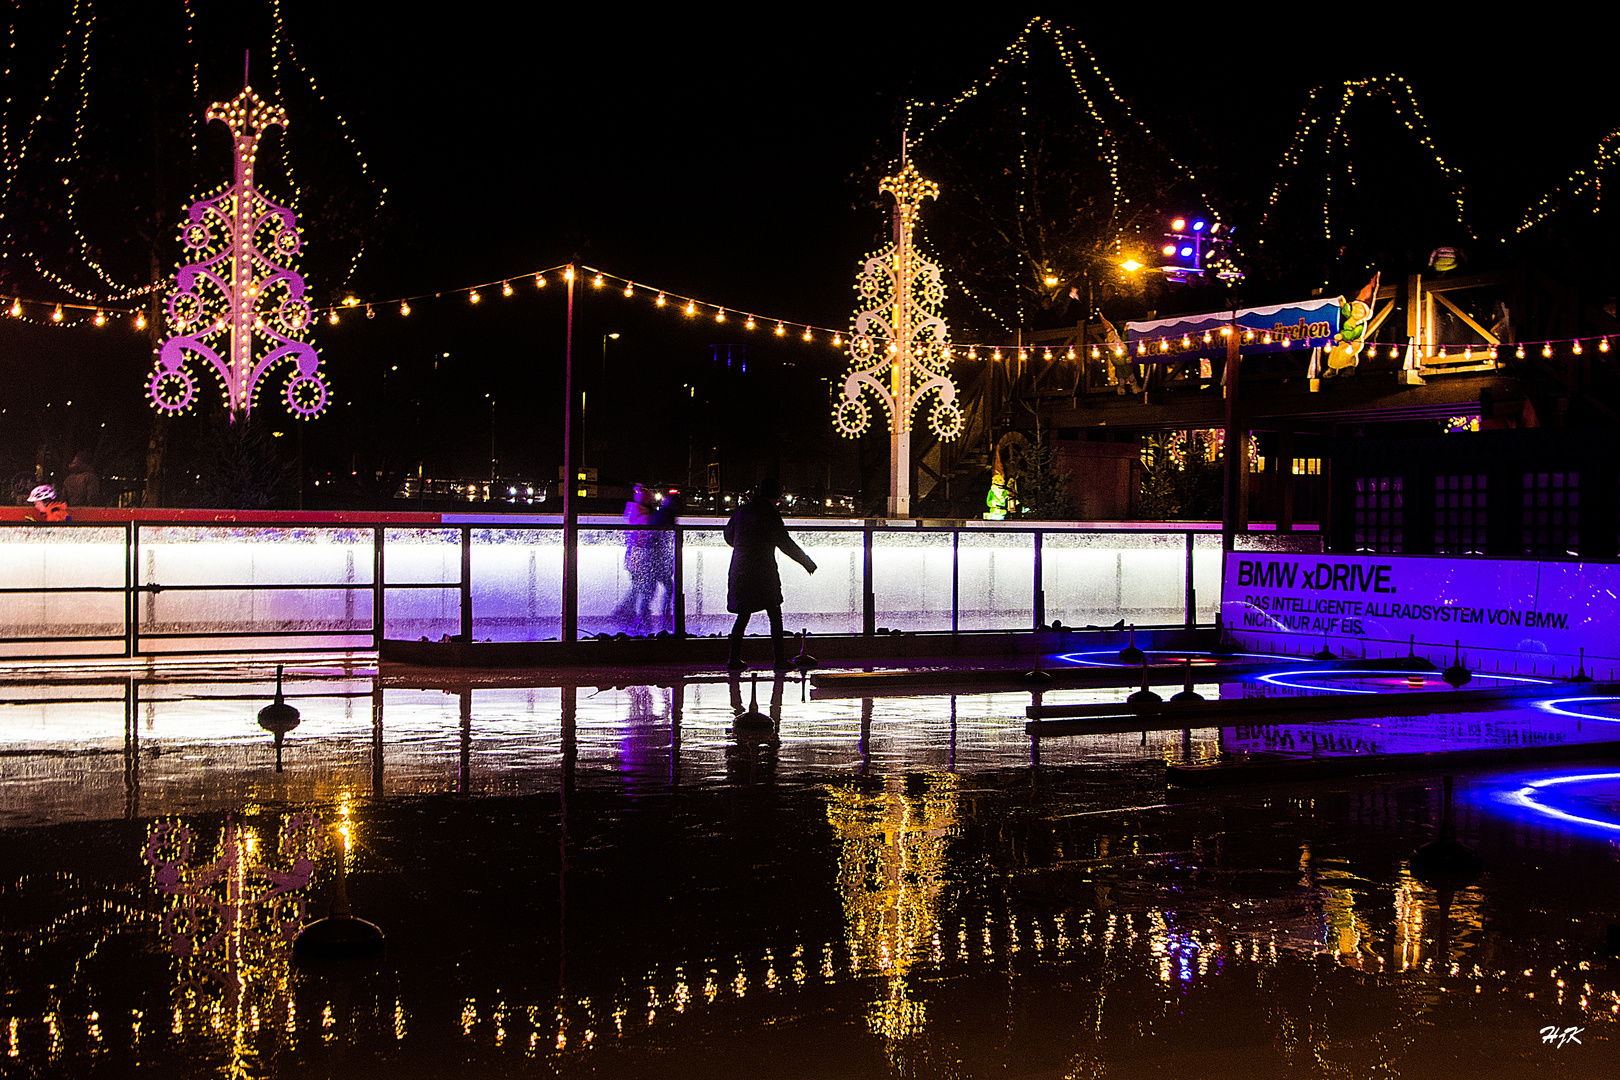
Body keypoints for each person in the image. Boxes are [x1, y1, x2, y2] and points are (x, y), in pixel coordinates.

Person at [724, 478, 816, 671]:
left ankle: (733, 659)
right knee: (774, 612)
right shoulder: (770, 513)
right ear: (776, 496)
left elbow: (729, 536)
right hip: (762, 570)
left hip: (740, 568)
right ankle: (780, 660)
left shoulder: (742, 511)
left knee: (743, 614)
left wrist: (744, 546)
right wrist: (806, 562)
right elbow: (784, 542)